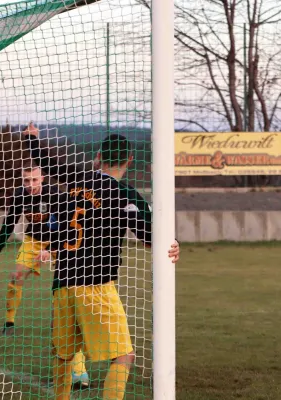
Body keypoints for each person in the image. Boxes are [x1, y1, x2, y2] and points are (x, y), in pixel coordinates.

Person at [24, 126, 180, 400]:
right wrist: (172, 242)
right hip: (95, 285)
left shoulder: (76, 178)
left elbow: (47, 163)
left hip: (62, 283)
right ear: (129, 160)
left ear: (98, 157)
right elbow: (148, 236)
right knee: (124, 355)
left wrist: (31, 140)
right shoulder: (125, 195)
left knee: (65, 355)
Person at [0, 161, 90, 388]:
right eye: (26, 180)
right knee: (16, 277)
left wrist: (51, 248)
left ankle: (79, 370)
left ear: (43, 178)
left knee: (65, 299)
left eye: (34, 180)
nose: (30, 185)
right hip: (33, 242)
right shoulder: (20, 195)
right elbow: (10, 221)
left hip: (58, 244)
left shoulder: (57, 195)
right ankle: (9, 321)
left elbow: (68, 225)